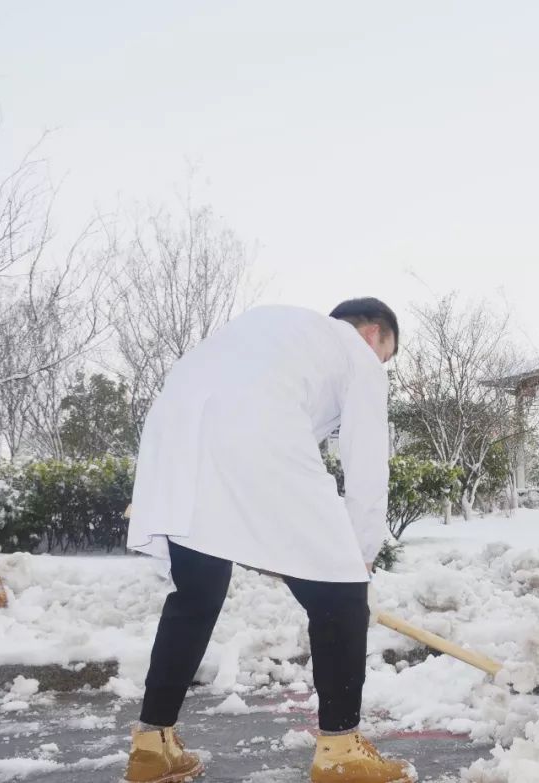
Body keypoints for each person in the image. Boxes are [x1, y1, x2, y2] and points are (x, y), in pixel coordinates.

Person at [121, 299, 414, 783]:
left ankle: (153, 746)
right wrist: (356, 559)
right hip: (252, 430)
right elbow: (366, 467)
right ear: (373, 335)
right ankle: (341, 751)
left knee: (196, 596)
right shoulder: (356, 354)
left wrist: (281, 545)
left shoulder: (277, 330)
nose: (382, 365)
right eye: (388, 355)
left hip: (174, 436)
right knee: (339, 598)